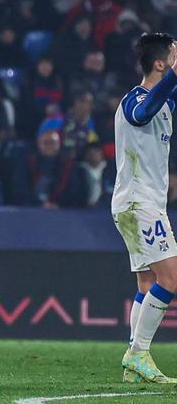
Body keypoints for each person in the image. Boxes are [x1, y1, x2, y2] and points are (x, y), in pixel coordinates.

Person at [112, 32, 177, 384]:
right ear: (160, 63)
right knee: (172, 278)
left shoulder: (167, 99)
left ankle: (131, 366)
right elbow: (141, 115)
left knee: (147, 282)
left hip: (142, 202)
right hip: (139, 203)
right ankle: (138, 353)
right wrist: (173, 77)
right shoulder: (134, 100)